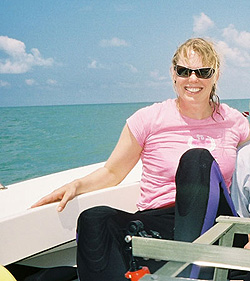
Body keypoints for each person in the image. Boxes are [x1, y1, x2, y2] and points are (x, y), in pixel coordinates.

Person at [32, 38, 250, 280]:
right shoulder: (148, 119)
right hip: (159, 222)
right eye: (184, 71)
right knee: (94, 218)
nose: (193, 79)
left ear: (215, 75)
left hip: (214, 223)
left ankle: (187, 272)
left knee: (196, 160)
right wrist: (77, 185)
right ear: (173, 73)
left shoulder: (234, 121)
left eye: (203, 72)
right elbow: (113, 172)